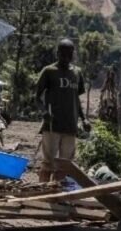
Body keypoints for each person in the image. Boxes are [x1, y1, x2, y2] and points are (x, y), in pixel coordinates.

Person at [36, 38, 90, 182]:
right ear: (57, 53)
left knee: (65, 165)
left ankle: (56, 195)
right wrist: (44, 112)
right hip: (52, 125)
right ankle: (41, 193)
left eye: (69, 54)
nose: (66, 58)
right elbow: (36, 97)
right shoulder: (49, 71)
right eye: (63, 54)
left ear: (73, 55)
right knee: (48, 163)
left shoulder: (77, 72)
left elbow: (76, 99)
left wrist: (83, 118)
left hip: (70, 126)